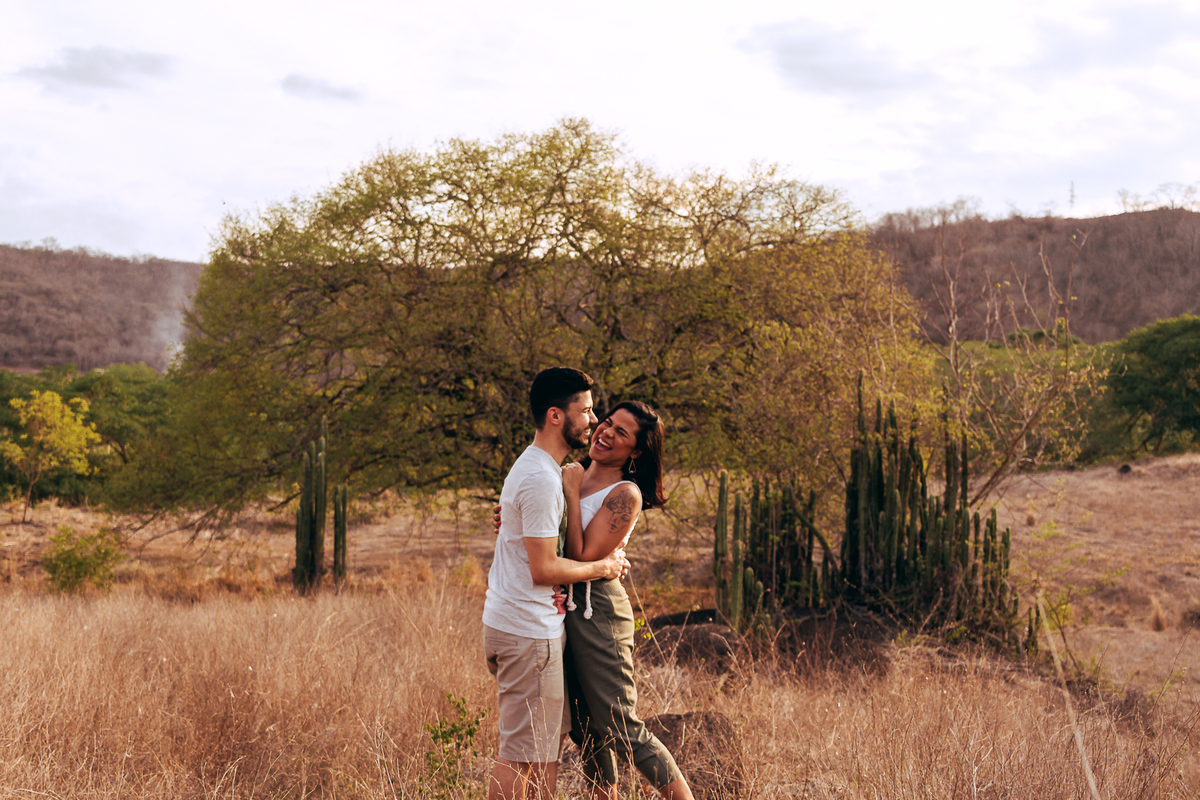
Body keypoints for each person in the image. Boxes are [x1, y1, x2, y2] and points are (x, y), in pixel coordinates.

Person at [482, 367, 630, 800]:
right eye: (584, 410)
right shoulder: (543, 479)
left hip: (519, 627)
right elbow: (543, 569)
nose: (592, 418)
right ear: (555, 416)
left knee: (539, 755)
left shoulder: (537, 469)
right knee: (522, 757)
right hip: (528, 634)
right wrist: (602, 568)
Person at [559, 400, 695, 800]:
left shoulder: (625, 493)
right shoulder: (572, 472)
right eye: (607, 423)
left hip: (597, 610)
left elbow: (584, 555)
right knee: (584, 727)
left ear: (636, 451)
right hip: (561, 608)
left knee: (621, 726)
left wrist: (569, 491)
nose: (606, 432)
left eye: (622, 433)